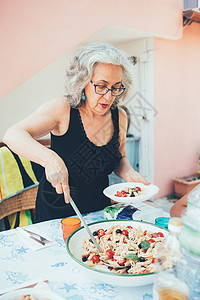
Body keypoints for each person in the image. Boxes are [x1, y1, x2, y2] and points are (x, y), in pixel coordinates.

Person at [3, 43, 149, 223]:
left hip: (99, 209)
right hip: (57, 212)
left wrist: (129, 174)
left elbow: (120, 156)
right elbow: (13, 134)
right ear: (83, 82)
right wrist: (50, 159)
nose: (109, 96)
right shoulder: (63, 109)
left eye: (116, 87)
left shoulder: (120, 116)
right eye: (102, 86)